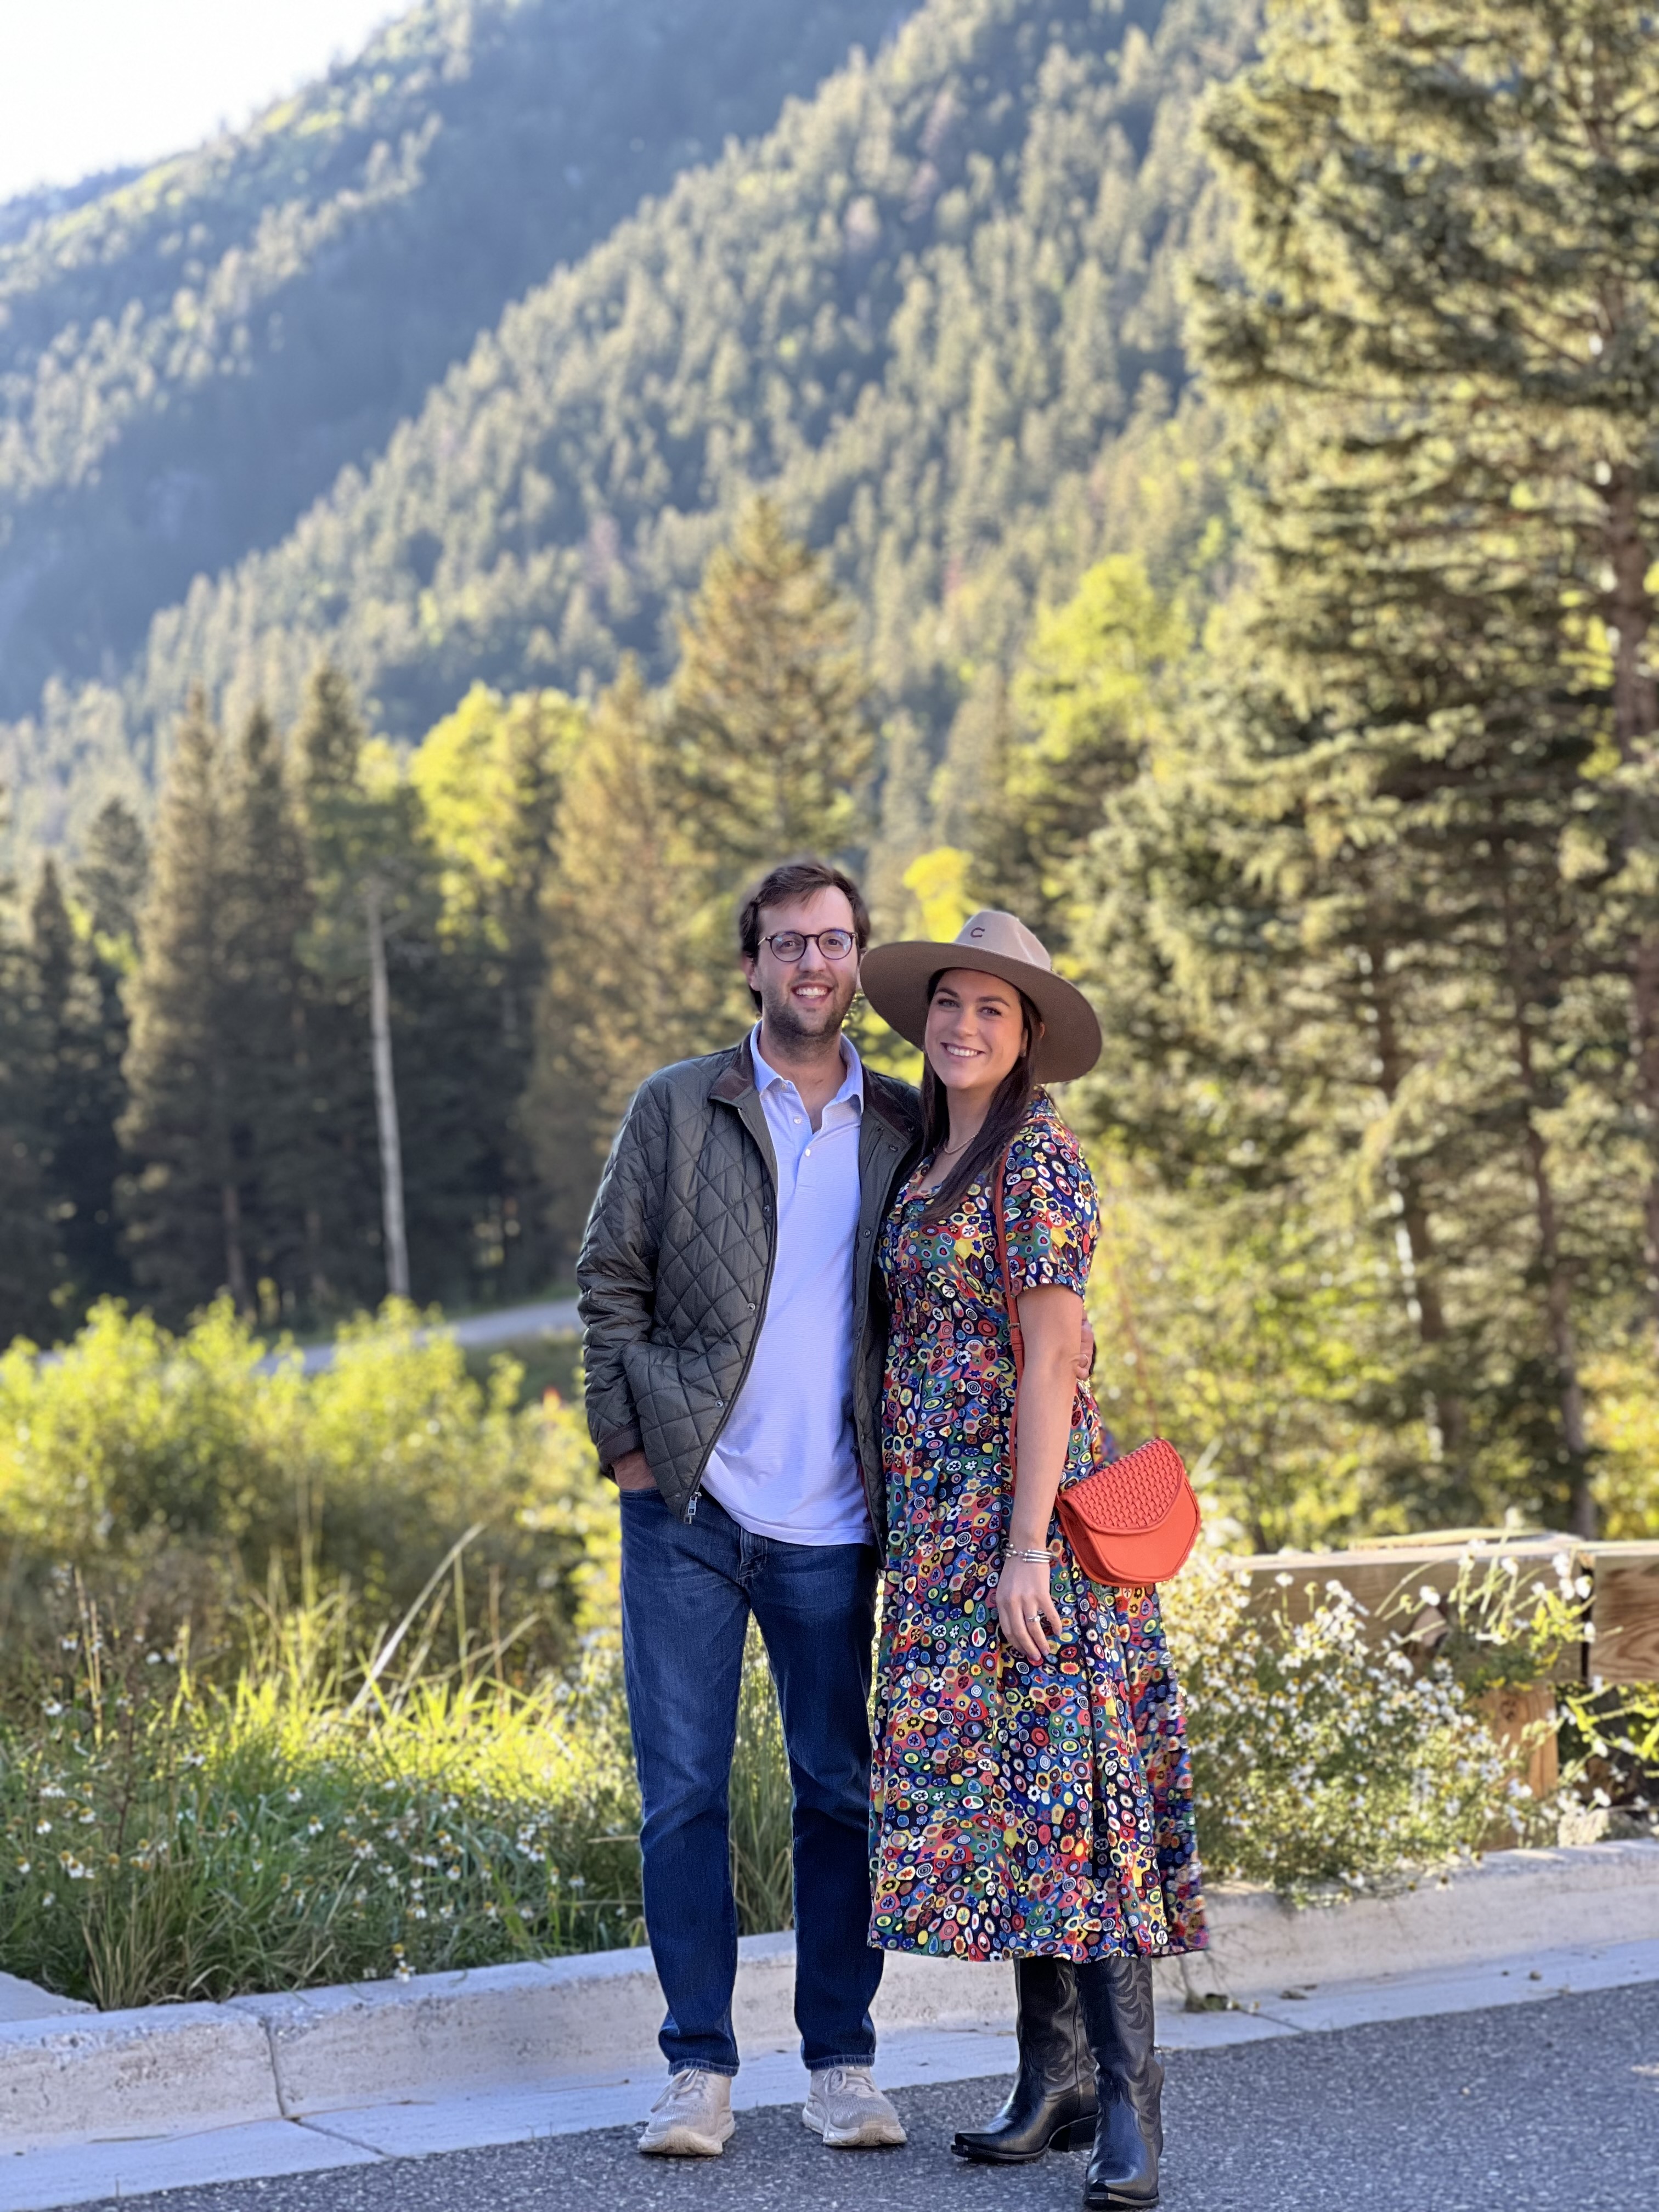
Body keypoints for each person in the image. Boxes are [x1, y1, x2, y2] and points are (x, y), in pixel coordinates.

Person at [858, 910, 1207, 2212]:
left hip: (1030, 1534)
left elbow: (1053, 1360)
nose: (961, 1026)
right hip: (946, 1533)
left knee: (1083, 1806)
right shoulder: (928, 1157)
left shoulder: (1040, 1163)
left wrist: (1020, 1547)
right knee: (1020, 1806)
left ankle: (1129, 2108)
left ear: (1033, 1037)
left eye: (992, 1011)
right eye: (949, 1003)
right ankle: (1049, 2077)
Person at [576, 857, 920, 2158]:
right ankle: (698, 2070)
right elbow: (608, 1280)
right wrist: (634, 1458)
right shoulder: (677, 1107)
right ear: (752, 964)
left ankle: (841, 2062)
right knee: (682, 1796)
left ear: (857, 958)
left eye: (835, 943)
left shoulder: (900, 1122)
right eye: (789, 945)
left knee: (838, 1792)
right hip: (690, 1514)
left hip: (835, 1521)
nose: (814, 965)